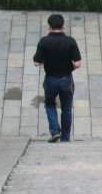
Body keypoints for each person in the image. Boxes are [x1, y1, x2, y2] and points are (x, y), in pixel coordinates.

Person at [33, 14, 82, 142]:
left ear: (49, 27)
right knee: (66, 108)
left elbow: (36, 62)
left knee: (49, 104)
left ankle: (55, 130)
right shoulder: (70, 41)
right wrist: (69, 67)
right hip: (66, 79)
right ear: (63, 26)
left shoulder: (44, 42)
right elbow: (77, 63)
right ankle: (65, 138)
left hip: (50, 79)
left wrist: (47, 62)